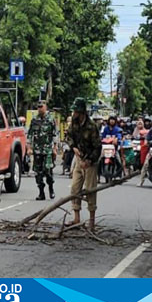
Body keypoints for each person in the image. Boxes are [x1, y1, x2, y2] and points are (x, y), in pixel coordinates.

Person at [66, 98, 102, 230]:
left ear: (81, 112)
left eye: (75, 110)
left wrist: (89, 161)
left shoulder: (92, 126)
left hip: (90, 162)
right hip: (78, 159)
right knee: (75, 189)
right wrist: (73, 147)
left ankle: (92, 221)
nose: (73, 113)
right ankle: (76, 218)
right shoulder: (74, 124)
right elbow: (68, 136)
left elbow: (98, 147)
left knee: (90, 190)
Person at [27, 101, 58, 200]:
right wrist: (29, 148)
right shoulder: (34, 120)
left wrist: (55, 148)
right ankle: (41, 192)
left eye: (42, 107)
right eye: (38, 107)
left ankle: (51, 188)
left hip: (48, 149)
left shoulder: (51, 119)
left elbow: (55, 134)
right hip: (37, 150)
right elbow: (30, 134)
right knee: (38, 172)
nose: (40, 109)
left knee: (48, 170)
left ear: (45, 107)